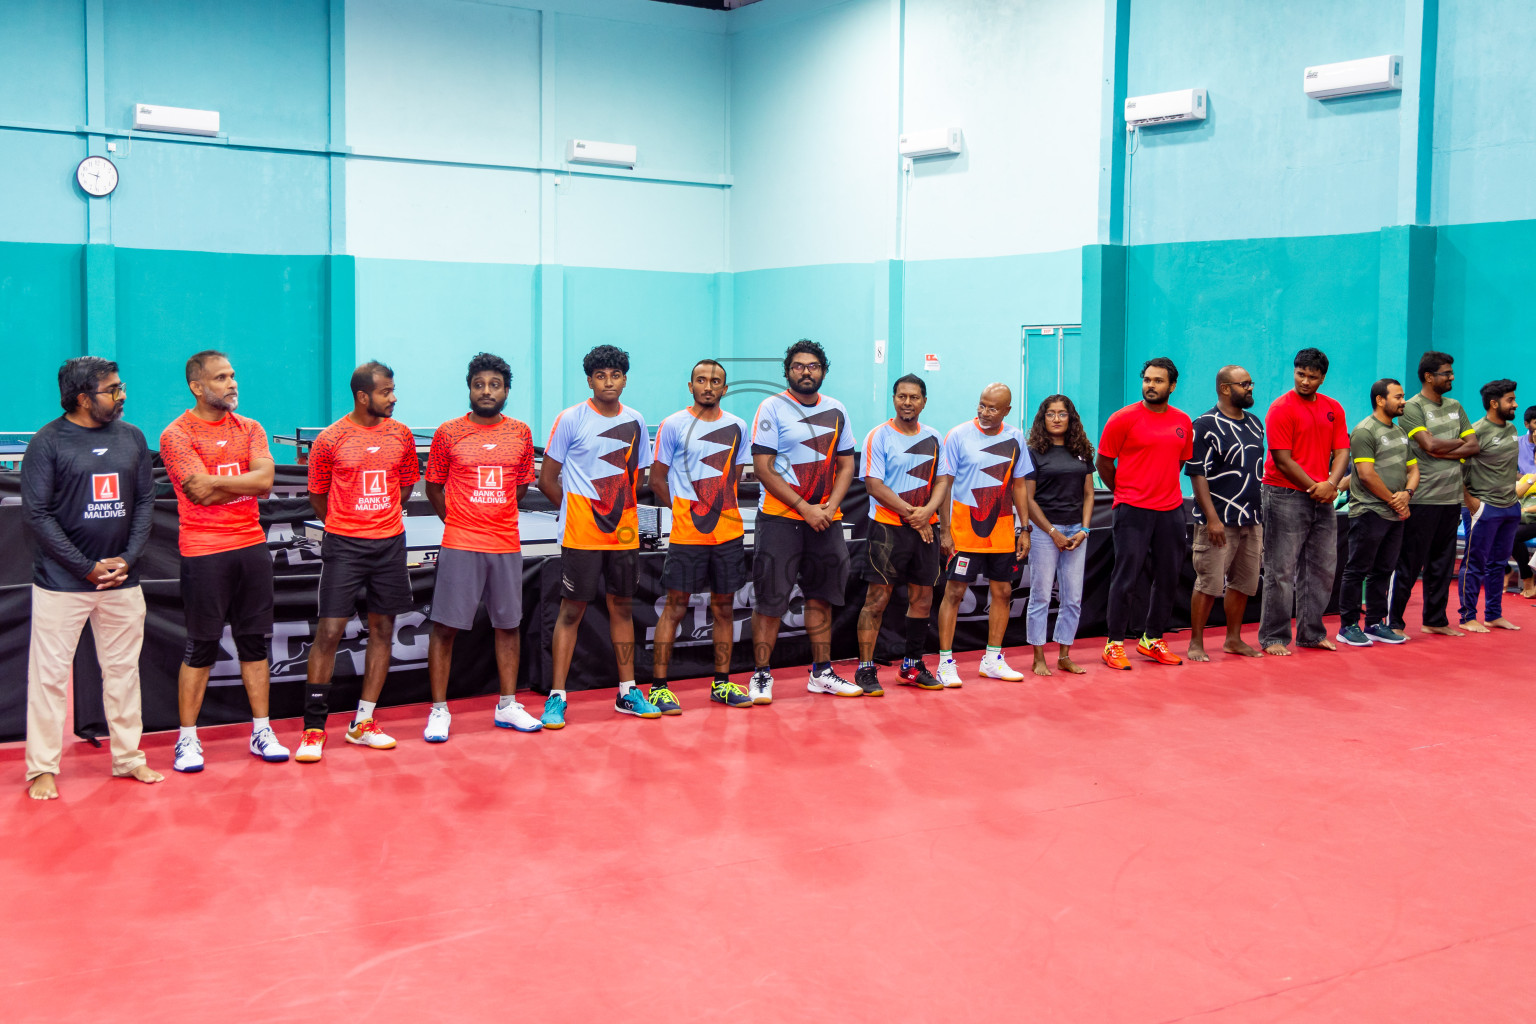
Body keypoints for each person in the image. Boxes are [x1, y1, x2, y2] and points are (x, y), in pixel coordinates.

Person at [21, 357, 162, 800]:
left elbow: (143, 502)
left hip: (124, 580)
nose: (122, 396)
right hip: (62, 585)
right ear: (83, 398)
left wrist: (127, 557)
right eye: (113, 390)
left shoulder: (133, 438)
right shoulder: (47, 443)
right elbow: (37, 516)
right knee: (49, 677)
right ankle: (42, 767)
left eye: (121, 387)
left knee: (123, 673)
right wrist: (85, 566)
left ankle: (128, 758)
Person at [159, 351, 288, 772]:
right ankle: (187, 740)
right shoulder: (176, 435)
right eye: (221, 377)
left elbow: (265, 482)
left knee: (254, 643)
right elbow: (197, 494)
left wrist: (215, 481)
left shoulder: (251, 428)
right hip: (203, 550)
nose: (232, 383)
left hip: (250, 546)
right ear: (197, 386)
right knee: (201, 646)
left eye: (233, 375)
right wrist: (240, 484)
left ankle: (262, 731)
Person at [297, 361, 420, 763]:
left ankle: (362, 722)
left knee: (382, 628)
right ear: (364, 396)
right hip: (344, 546)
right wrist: (348, 523)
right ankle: (314, 728)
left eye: (393, 389)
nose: (394, 397)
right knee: (329, 632)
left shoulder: (401, 435)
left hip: (389, 545)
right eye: (387, 391)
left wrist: (379, 519)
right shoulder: (330, 439)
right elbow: (318, 496)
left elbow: (405, 488)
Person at [420, 352, 541, 742]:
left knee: (508, 625)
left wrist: (494, 516)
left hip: (505, 542)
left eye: (495, 385)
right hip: (460, 542)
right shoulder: (448, 432)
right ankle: (438, 710)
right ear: (469, 388)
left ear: (506, 391)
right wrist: (458, 520)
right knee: (445, 628)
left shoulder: (521, 432)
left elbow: (520, 486)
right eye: (479, 384)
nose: (486, 391)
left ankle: (507, 705)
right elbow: (434, 486)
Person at [539, 345, 658, 727]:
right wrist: (578, 511)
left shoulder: (637, 420)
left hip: (623, 534)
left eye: (616, 375)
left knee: (622, 608)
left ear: (625, 378)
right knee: (571, 610)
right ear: (589, 380)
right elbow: (546, 479)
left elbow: (636, 479)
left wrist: (614, 511)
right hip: (580, 534)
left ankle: (627, 692)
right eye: (601, 375)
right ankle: (557, 697)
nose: (609, 382)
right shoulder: (571, 419)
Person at [748, 340, 860, 701]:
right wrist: (804, 507)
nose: (806, 371)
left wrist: (829, 507)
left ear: (823, 371)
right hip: (781, 519)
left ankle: (821, 673)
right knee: (770, 601)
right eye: (798, 366)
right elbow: (763, 469)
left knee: (821, 597)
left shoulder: (837, 409)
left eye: (813, 366)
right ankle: (762, 674)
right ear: (787, 371)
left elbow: (846, 464)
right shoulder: (772, 407)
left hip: (826, 520)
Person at [650, 359, 755, 710]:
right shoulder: (673, 425)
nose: (708, 386)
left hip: (727, 534)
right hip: (686, 536)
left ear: (725, 389)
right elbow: (656, 479)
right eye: (701, 380)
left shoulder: (739, 426)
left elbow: (734, 479)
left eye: (715, 381)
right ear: (690, 385)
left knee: (724, 609)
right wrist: (686, 511)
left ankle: (722, 684)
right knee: (675, 608)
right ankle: (659, 687)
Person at [1096, 358, 1193, 670]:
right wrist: (1125, 491)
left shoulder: (1183, 421)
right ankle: (1113, 644)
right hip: (1132, 509)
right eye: (1147, 380)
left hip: (1171, 510)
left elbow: (1178, 462)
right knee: (1126, 578)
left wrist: (1161, 488)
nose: (1151, 385)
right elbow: (1103, 464)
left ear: (1172, 386)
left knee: (1168, 578)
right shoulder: (1122, 419)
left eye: (1158, 381)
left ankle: (1152, 639)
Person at [854, 375, 948, 694]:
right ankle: (866, 668)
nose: (907, 402)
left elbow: (942, 482)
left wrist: (928, 516)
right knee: (876, 600)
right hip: (887, 528)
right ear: (893, 399)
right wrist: (914, 515)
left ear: (924, 401)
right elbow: (873, 485)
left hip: (926, 530)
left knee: (922, 598)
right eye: (902, 396)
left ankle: (911, 666)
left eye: (914, 397)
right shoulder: (878, 436)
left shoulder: (935, 437)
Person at [935, 383, 1032, 687]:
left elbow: (1019, 485)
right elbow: (945, 485)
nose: (985, 412)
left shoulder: (1015, 437)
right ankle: (945, 662)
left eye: (992, 408)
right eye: (981, 405)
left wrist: (1024, 528)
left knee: (1002, 593)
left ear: (1007, 410)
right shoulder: (958, 435)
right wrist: (945, 529)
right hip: (964, 532)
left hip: (1002, 531)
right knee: (954, 593)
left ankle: (992, 659)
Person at [1257, 348, 1349, 656]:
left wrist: (1332, 484)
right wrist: (1318, 487)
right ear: (1294, 372)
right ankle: (1274, 637)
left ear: (1322, 378)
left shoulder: (1333, 408)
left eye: (1312, 376)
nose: (1305, 381)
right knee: (1280, 570)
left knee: (1322, 568)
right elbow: (1282, 460)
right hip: (1284, 493)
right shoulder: (1281, 408)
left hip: (1322, 493)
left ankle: (1311, 633)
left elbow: (1342, 452)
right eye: (1300, 374)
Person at [1389, 352, 1479, 638]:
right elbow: (1428, 445)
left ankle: (1435, 620)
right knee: (1410, 563)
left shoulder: (1456, 406)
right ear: (1429, 376)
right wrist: (1453, 445)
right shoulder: (1413, 407)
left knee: (1442, 564)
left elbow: (1474, 445)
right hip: (1423, 498)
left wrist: (1443, 447)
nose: (1452, 377)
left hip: (1451, 499)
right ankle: (1394, 623)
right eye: (1446, 373)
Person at [1184, 366, 1266, 662]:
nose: (1250, 388)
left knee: (1243, 582)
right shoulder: (1204, 425)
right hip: (1217, 519)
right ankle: (1196, 642)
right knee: (1209, 583)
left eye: (1251, 383)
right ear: (1224, 388)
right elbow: (1196, 473)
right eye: (1244, 384)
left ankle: (1233, 639)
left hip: (1251, 517)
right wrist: (1212, 518)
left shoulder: (1256, 423)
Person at [1336, 379, 1419, 647]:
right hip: (1369, 512)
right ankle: (1348, 626)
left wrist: (1407, 494)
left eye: (1403, 396)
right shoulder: (1364, 431)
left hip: (1396, 513)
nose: (1403, 401)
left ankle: (1374, 623)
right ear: (1381, 400)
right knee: (1357, 569)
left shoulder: (1401, 433)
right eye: (1398, 396)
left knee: (1383, 570)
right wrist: (1396, 501)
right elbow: (1365, 474)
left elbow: (1414, 470)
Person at [1022, 395, 1094, 676]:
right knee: (1040, 595)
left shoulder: (1082, 451)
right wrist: (1052, 532)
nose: (1056, 418)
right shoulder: (1033, 452)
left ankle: (1064, 654)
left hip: (1076, 532)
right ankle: (1038, 656)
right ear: (1042, 418)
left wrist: (1084, 530)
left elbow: (1089, 494)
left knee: (1073, 598)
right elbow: (1028, 500)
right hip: (1043, 532)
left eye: (1062, 414)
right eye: (1050, 414)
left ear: (1070, 418)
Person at [1458, 379, 1522, 632]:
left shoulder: (1513, 429)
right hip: (1483, 507)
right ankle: (1467, 616)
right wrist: (1471, 502)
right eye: (1510, 400)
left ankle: (1493, 614)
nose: (1515, 404)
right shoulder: (1475, 432)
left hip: (1510, 506)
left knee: (1499, 563)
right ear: (1494, 403)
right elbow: (1457, 469)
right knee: (1474, 563)